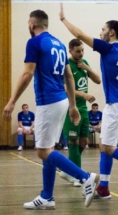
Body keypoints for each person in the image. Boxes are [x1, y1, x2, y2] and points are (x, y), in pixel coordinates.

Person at [3, 10, 99, 209]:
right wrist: (72, 105)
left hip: (48, 101)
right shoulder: (59, 44)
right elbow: (69, 77)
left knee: (42, 151)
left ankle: (85, 177)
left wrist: (12, 100)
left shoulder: (34, 42)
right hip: (61, 101)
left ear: (32, 24)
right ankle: (47, 197)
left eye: (29, 23)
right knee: (48, 149)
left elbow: (27, 74)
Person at [60, 3, 118, 199]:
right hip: (113, 105)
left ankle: (98, 184)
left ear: (111, 32)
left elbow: (79, 33)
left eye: (102, 30)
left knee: (107, 147)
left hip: (115, 104)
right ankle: (103, 187)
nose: (100, 33)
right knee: (105, 145)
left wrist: (63, 20)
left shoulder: (108, 48)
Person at [60, 39, 101, 187]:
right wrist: (84, 95)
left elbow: (98, 80)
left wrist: (87, 68)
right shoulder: (67, 65)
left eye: (82, 50)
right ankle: (76, 175)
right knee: (73, 141)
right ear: (70, 51)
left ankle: (67, 169)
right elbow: (66, 87)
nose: (81, 53)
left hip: (83, 110)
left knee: (84, 142)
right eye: (78, 51)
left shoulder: (84, 63)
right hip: (71, 109)